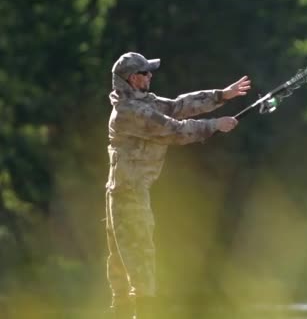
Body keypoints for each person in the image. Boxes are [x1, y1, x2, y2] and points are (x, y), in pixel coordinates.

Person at [105, 52, 251, 318]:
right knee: (140, 263)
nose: (151, 76)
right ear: (134, 78)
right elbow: (176, 130)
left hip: (127, 191)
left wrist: (222, 95)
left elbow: (177, 106)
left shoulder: (141, 103)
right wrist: (215, 125)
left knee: (125, 266)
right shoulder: (131, 113)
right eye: (146, 72)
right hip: (129, 196)